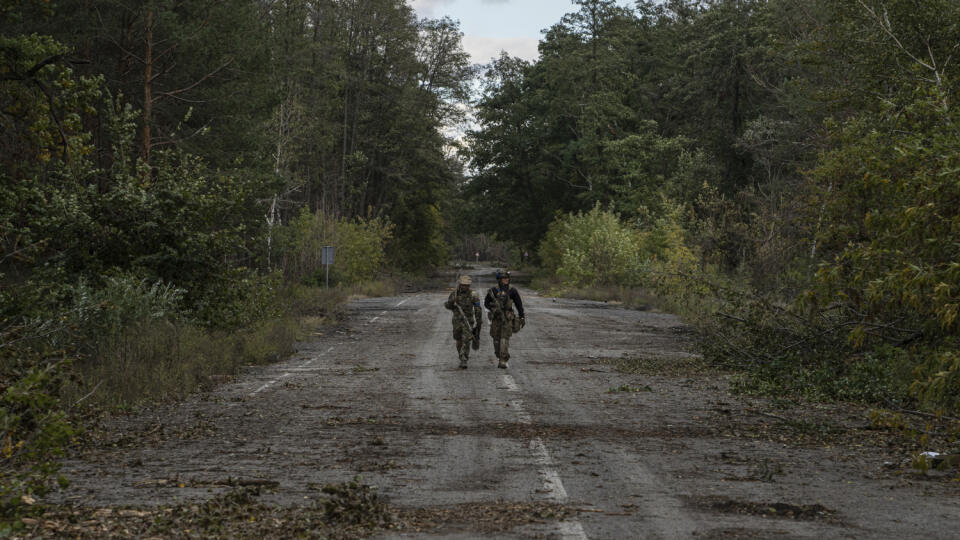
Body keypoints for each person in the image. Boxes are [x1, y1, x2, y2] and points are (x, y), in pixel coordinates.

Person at [484, 269, 525, 369]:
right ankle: (499, 356)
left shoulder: (512, 290)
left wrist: (521, 315)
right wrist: (493, 309)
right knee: (496, 339)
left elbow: (518, 304)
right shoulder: (493, 290)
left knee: (504, 338)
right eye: (504, 278)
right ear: (499, 279)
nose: (506, 280)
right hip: (496, 318)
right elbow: (486, 303)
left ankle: (503, 360)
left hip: (507, 317)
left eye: (507, 278)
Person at [444, 275, 482, 369]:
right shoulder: (454, 294)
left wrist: (478, 321)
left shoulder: (473, 294)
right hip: (457, 321)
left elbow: (478, 309)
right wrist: (452, 302)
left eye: (467, 285)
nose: (465, 286)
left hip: (468, 321)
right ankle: (461, 355)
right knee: (458, 340)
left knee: (466, 340)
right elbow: (448, 306)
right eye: (463, 285)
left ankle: (464, 359)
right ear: (460, 284)